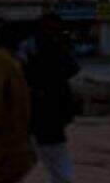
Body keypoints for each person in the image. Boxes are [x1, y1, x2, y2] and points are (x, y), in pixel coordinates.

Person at [25, 15, 80, 183]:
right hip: (48, 110)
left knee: (51, 155)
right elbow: (72, 68)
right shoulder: (50, 47)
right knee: (56, 157)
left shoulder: (33, 46)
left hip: (42, 109)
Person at [0, 23, 36, 183]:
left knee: (19, 164)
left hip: (17, 127)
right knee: (14, 166)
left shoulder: (10, 60)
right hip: (6, 127)